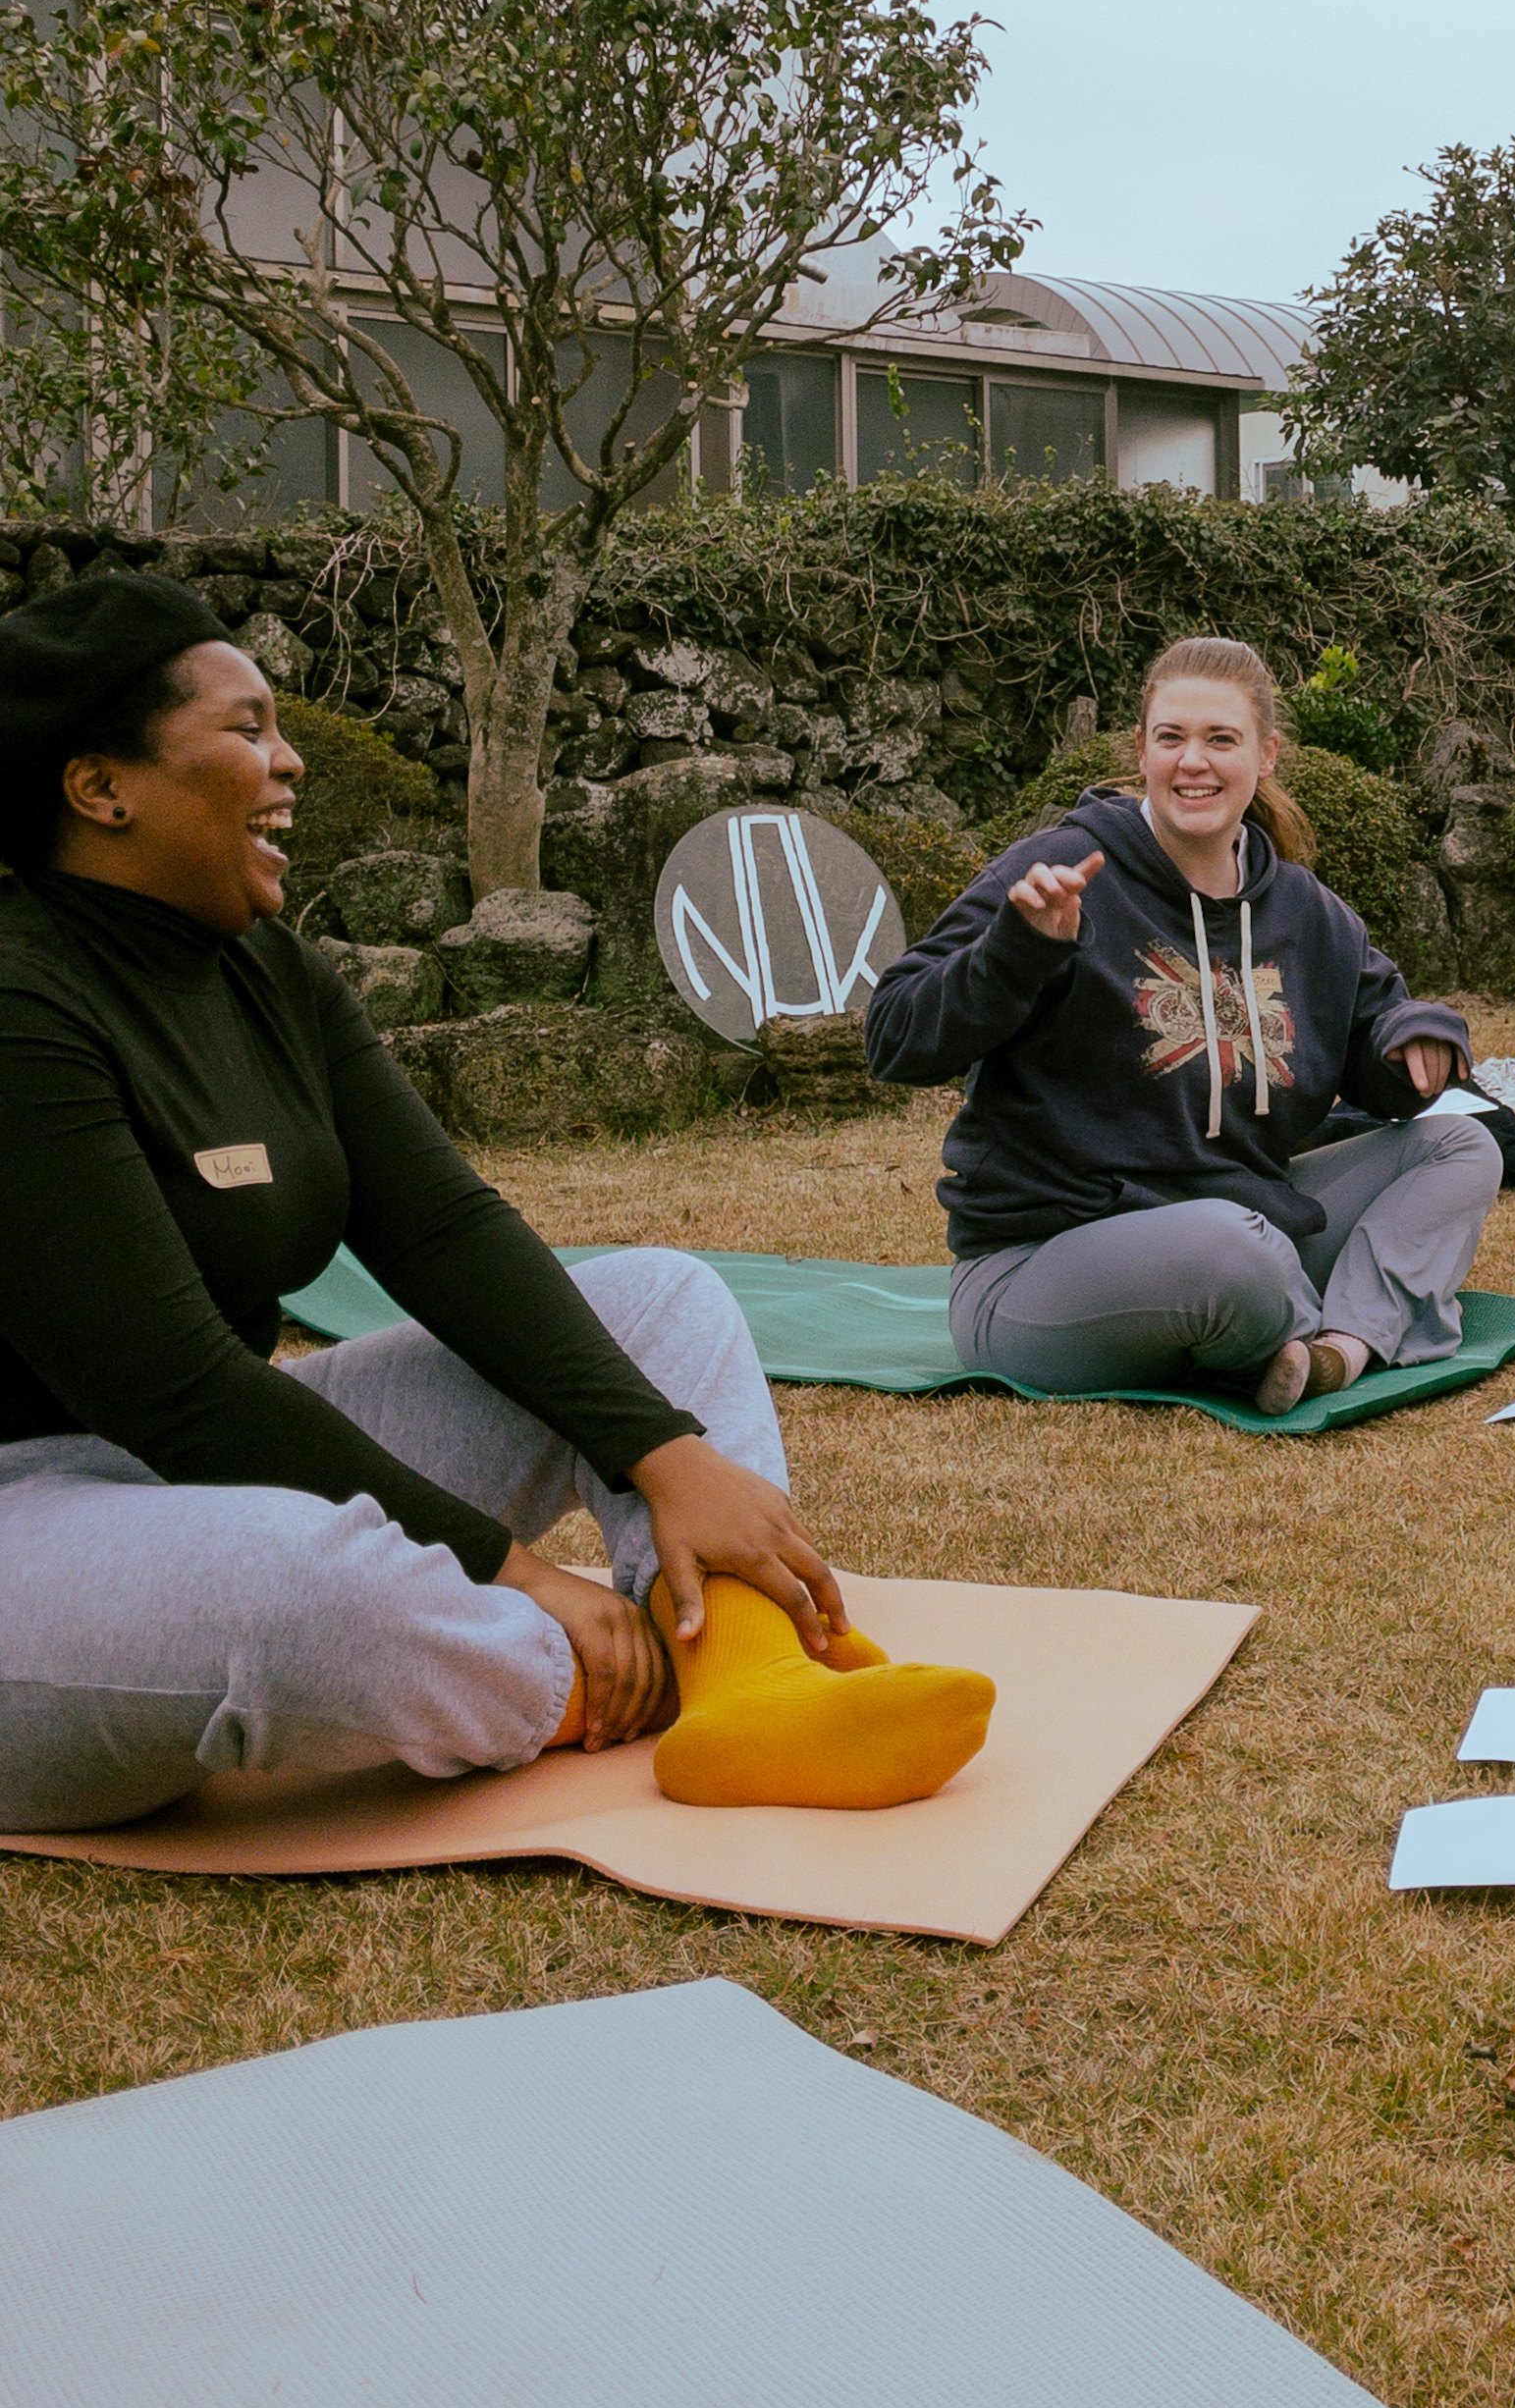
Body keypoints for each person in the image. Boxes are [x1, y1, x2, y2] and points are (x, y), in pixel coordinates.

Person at [0, 568, 990, 1834]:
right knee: (319, 1597)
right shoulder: (21, 999)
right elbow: (176, 1389)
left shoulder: (271, 972)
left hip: (190, 1479)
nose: (290, 760)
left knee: (659, 1299)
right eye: (247, 729)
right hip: (41, 1512)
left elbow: (443, 1231)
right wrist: (511, 1571)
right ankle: (578, 1672)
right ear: (102, 787)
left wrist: (664, 1451)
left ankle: (750, 1683)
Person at [864, 635, 1499, 1413]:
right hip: (1043, 1266)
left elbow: (1380, 1044)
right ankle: (1293, 1320)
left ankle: (1341, 1348)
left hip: (1250, 1226)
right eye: (1172, 738)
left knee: (1461, 1145)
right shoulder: (1064, 868)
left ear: (1266, 756)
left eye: (1220, 739)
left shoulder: (1308, 912)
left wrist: (1414, 1038)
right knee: (1233, 1251)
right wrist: (1017, 953)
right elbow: (892, 1036)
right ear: (1141, 750)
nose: (1192, 761)